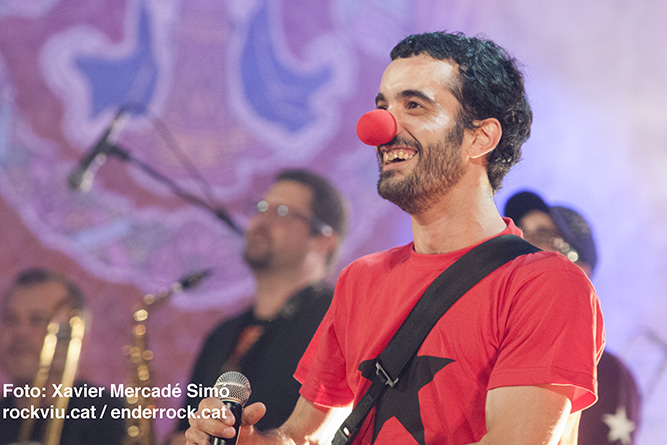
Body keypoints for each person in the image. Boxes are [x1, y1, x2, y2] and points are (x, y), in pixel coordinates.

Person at [186, 31, 604, 444]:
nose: (380, 128)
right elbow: (306, 436)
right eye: (383, 106)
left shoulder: (544, 285)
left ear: (480, 137)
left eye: (414, 105)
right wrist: (253, 443)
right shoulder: (361, 281)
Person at [169, 169, 348, 441]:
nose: (262, 220)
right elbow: (184, 432)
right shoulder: (222, 335)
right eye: (262, 208)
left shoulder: (337, 323)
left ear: (324, 239)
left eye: (283, 212)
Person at [504, 190, 641, 445]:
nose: (524, 244)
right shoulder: (487, 330)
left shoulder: (610, 374)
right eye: (519, 231)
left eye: (543, 235)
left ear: (580, 269)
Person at [0, 268, 126, 445]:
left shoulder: (111, 417)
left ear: (77, 339)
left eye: (38, 320)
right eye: (11, 319)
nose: (20, 332)